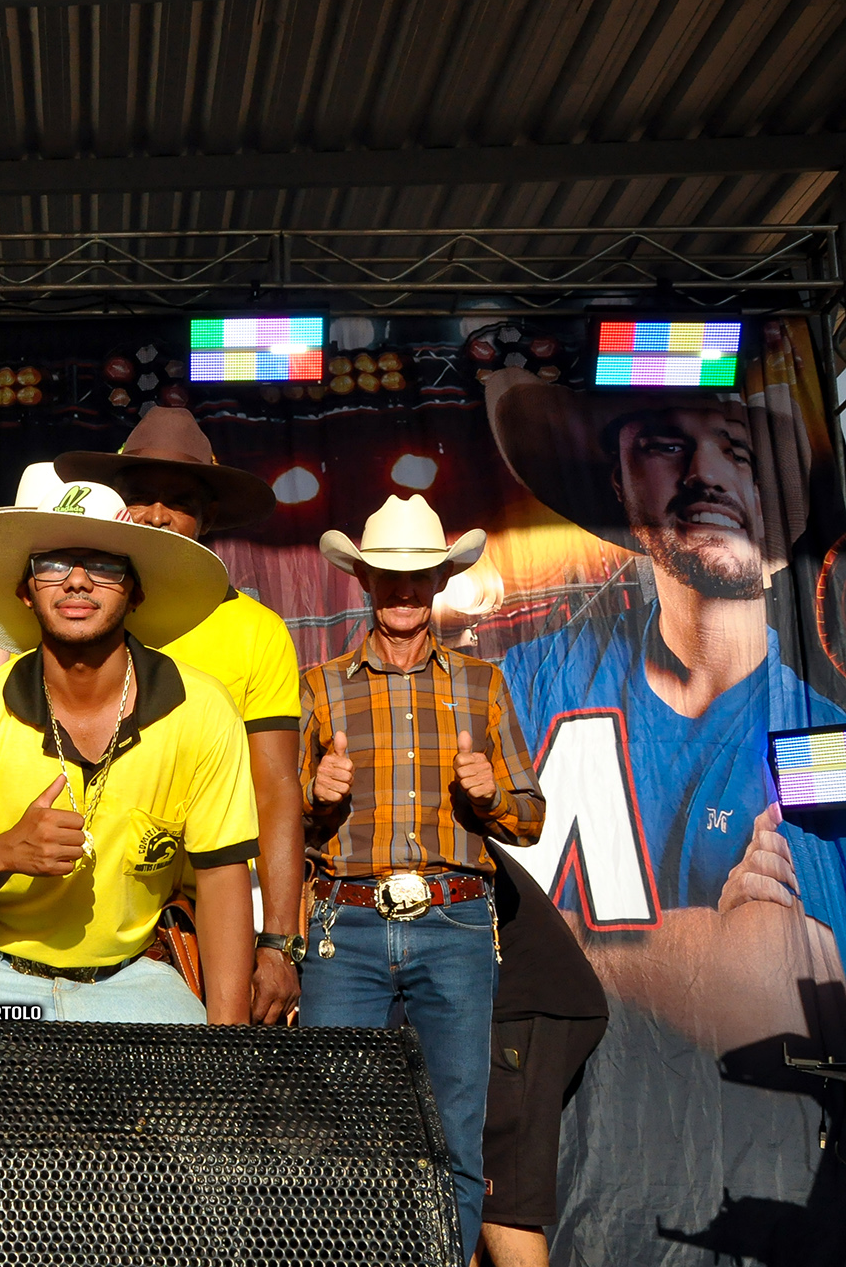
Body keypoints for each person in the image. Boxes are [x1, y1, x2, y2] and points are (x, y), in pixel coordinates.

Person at [485, 366, 846, 952]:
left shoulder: (813, 731)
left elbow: (800, 968)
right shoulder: (532, 681)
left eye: (739, 453)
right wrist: (715, 945)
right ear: (620, 482)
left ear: (766, 497)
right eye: (666, 446)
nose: (707, 474)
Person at [298, 492, 546, 1264]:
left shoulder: (482, 683)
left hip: (456, 921)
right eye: (388, 576)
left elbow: (530, 819)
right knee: (338, 1135)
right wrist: (315, 798)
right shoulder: (319, 684)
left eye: (418, 576)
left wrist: (491, 795)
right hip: (346, 925)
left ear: (440, 582)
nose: (404, 591)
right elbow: (279, 828)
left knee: (453, 1132)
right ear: (364, 582)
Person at [0, 468, 259, 1023]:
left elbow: (223, 879)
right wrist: (5, 852)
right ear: (26, 591)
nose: (77, 581)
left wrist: (227, 1046)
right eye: (53, 564)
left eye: (104, 564)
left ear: (136, 590)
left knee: (191, 1082)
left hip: (136, 975)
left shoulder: (202, 707)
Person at [57, 406, 306, 1024]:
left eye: (179, 501)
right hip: (71, 909)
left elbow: (276, 789)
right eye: (140, 496)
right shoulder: (76, 610)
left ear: (209, 516)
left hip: (201, 923)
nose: (156, 515)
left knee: (200, 1085)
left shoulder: (255, 630)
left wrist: (277, 941)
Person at [479, 846, 607, 1267]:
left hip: (524, 1007)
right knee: (459, 1193)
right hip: (496, 1011)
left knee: (500, 1198)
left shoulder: (407, 837)